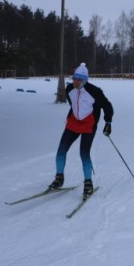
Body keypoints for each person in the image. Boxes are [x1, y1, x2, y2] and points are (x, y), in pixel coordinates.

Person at [48, 63, 113, 197]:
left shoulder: (94, 92)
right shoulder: (69, 89)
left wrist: (108, 122)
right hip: (73, 123)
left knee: (84, 154)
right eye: (74, 79)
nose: (76, 82)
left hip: (88, 125)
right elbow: (73, 104)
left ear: (85, 80)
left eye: (79, 79)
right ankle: (59, 178)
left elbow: (107, 106)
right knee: (61, 151)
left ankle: (88, 184)